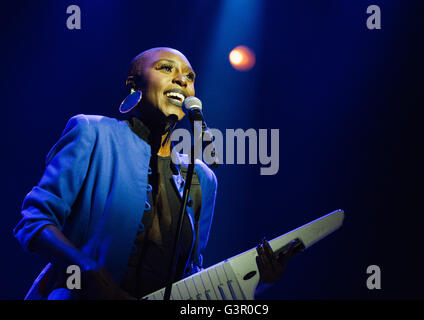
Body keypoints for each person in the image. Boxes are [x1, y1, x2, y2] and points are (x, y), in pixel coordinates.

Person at [13, 47, 298, 300]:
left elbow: (191, 276)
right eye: (166, 68)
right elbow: (34, 221)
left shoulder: (203, 179)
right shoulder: (93, 133)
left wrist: (256, 282)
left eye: (190, 76)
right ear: (133, 84)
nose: (182, 80)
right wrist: (87, 270)